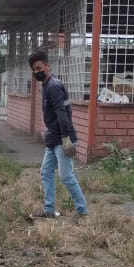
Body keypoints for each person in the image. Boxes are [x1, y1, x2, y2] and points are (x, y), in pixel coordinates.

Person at [27, 50, 88, 219]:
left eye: (39, 68)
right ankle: (49, 210)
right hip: (53, 139)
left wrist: (66, 139)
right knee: (46, 171)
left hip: (62, 139)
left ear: (47, 66)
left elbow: (63, 113)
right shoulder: (47, 85)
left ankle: (82, 211)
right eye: (34, 69)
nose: (36, 72)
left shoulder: (54, 87)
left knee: (66, 176)